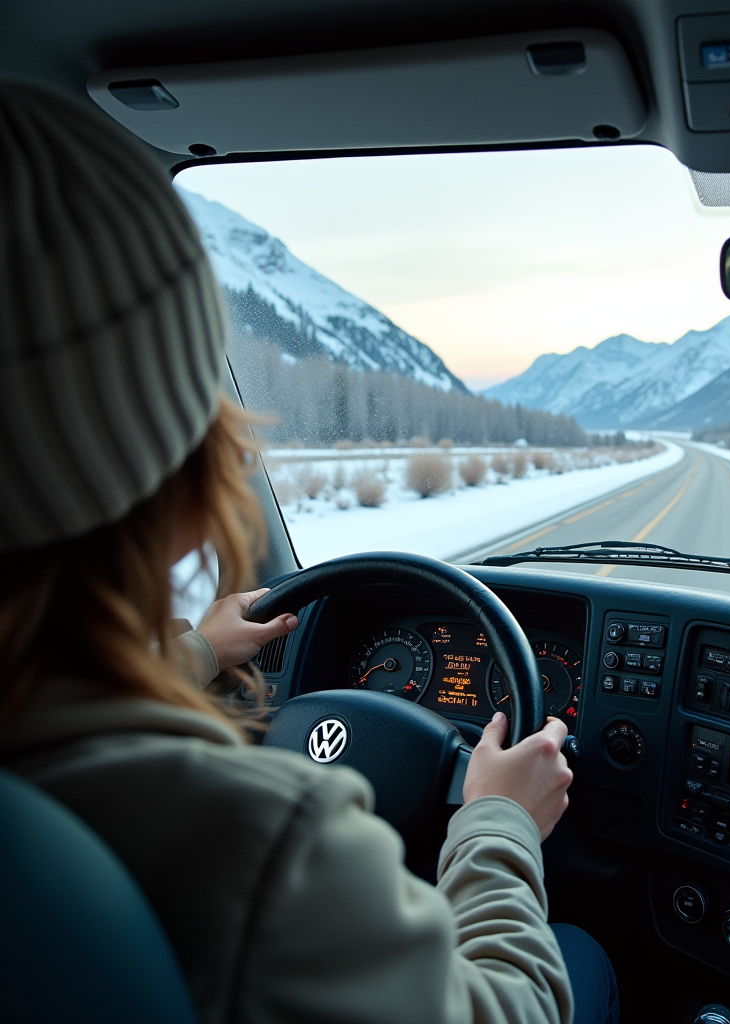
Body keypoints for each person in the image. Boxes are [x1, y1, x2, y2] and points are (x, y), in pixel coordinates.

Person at [0, 80, 617, 1024]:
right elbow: (507, 1010)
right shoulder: (253, 843)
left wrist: (197, 651)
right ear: (175, 480)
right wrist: (496, 822)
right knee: (580, 960)